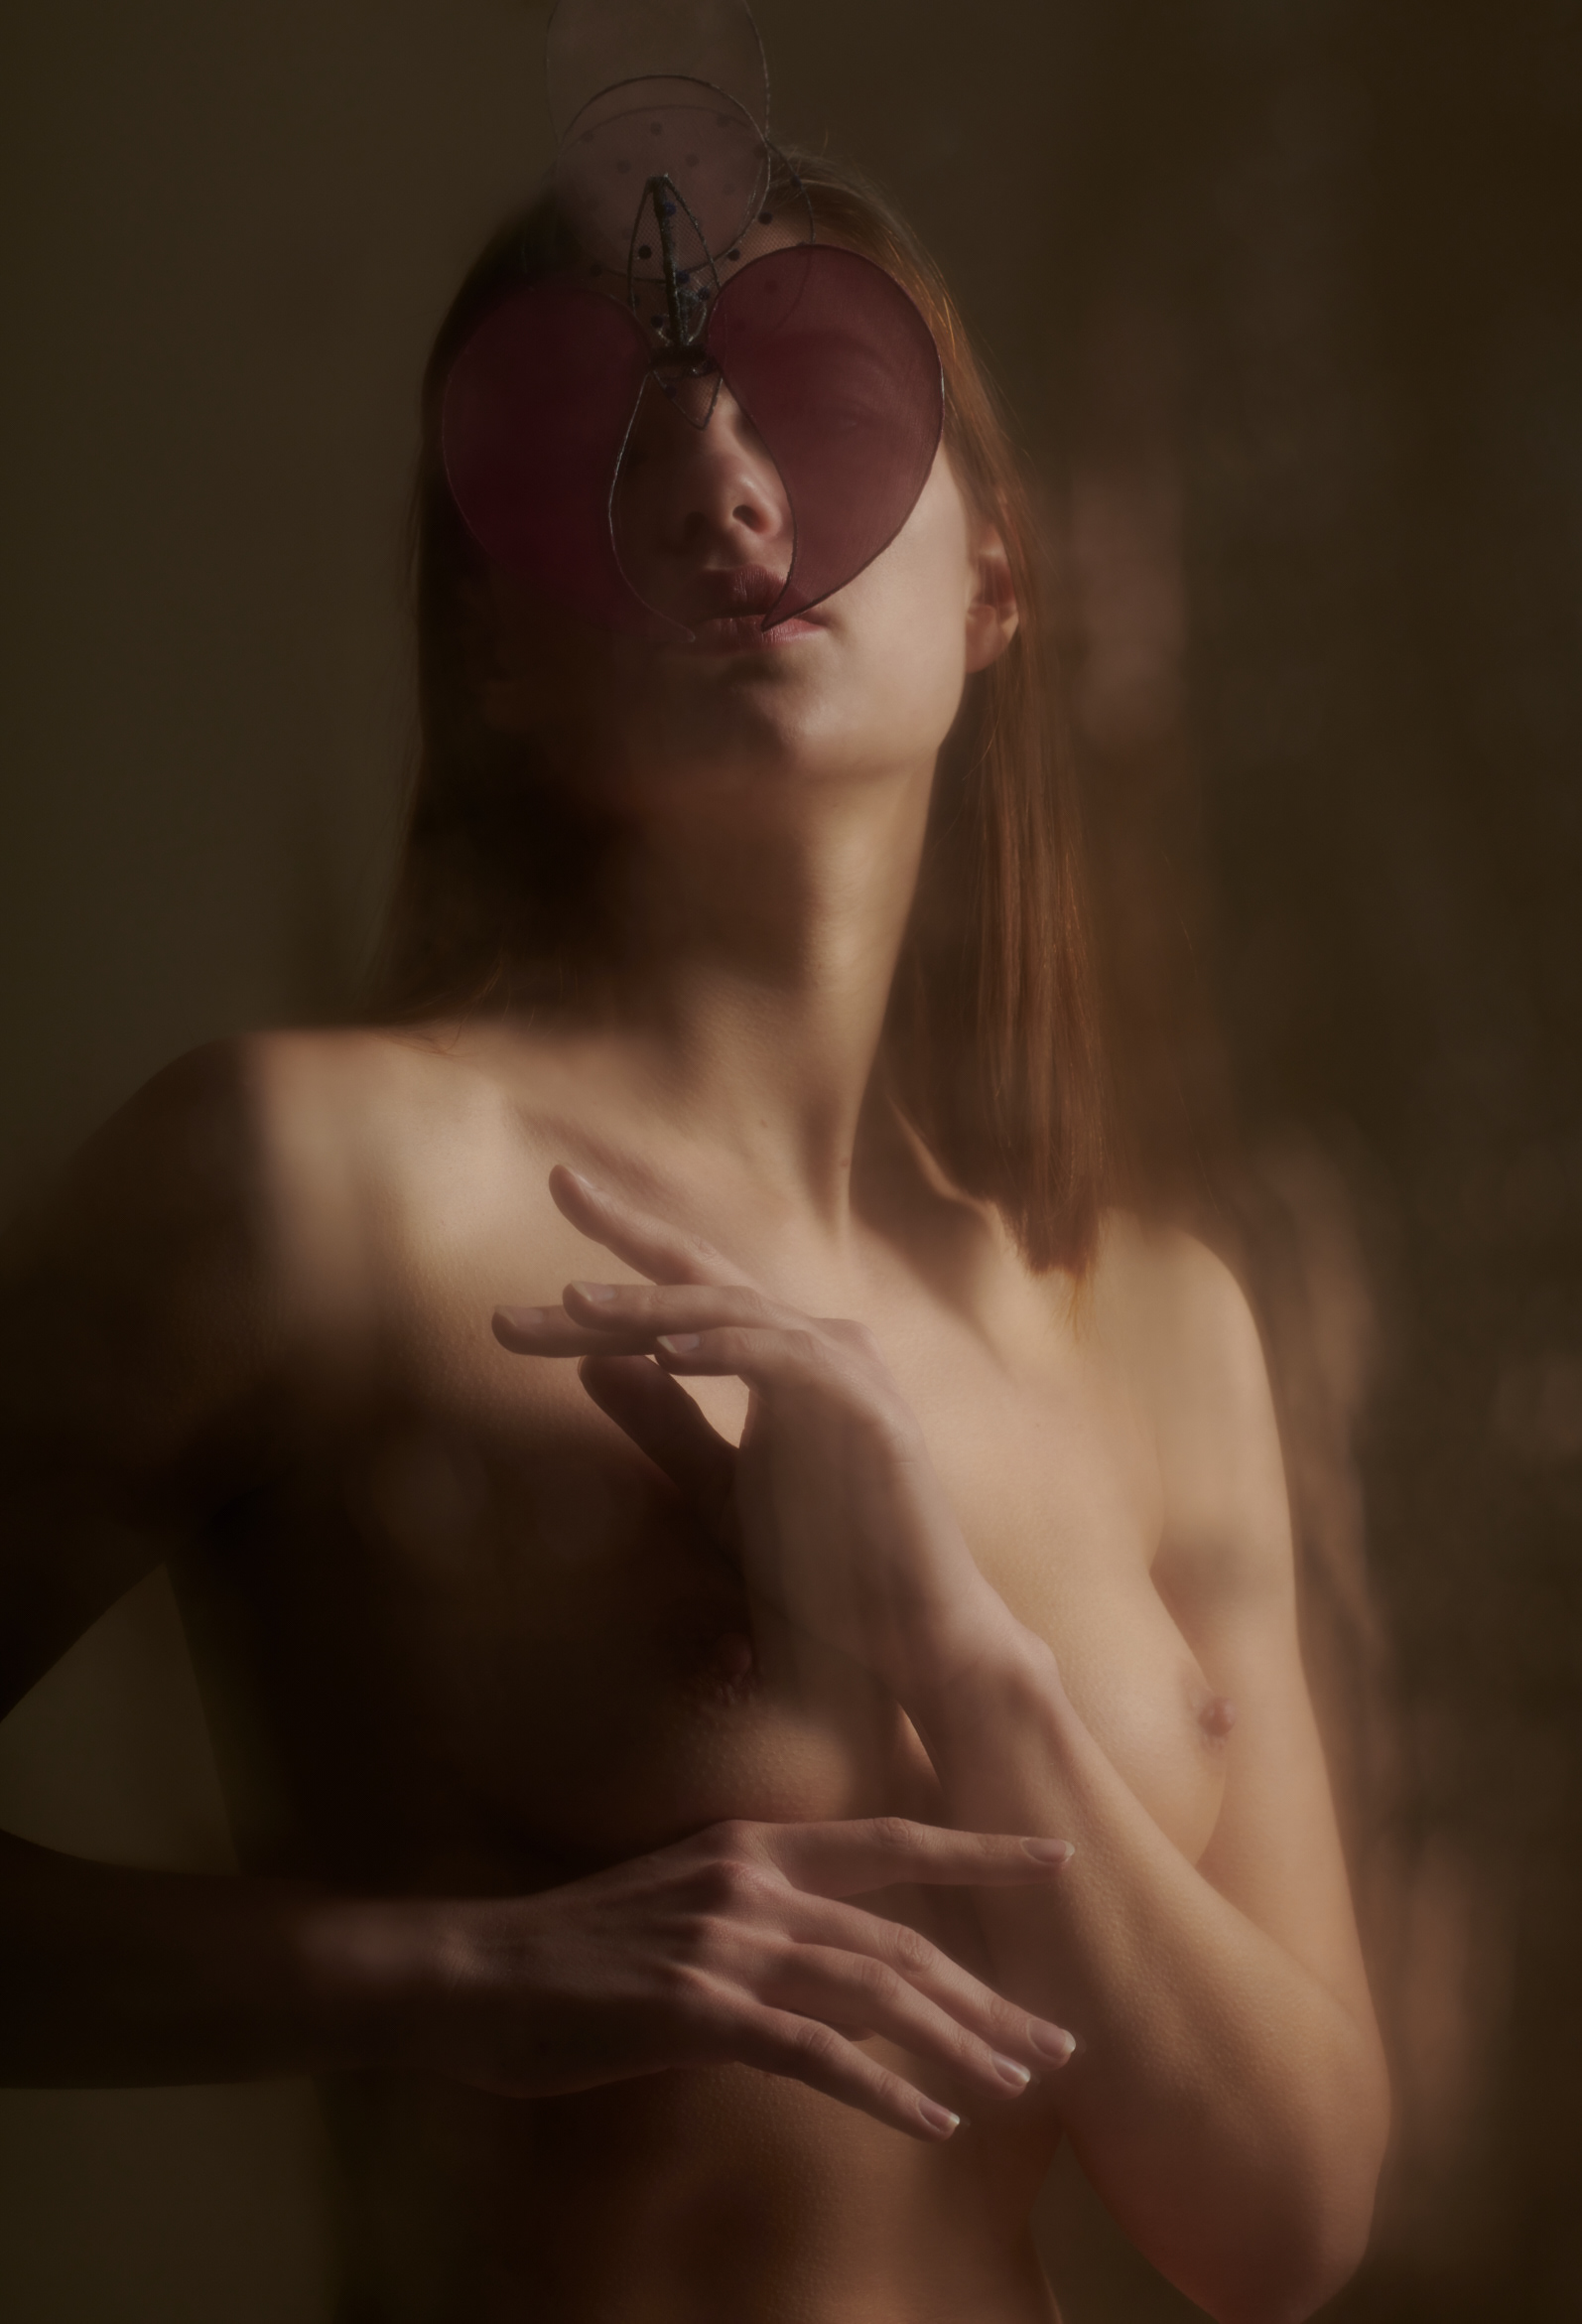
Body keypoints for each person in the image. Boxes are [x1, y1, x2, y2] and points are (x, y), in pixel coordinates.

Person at [0, 145, 1388, 2324]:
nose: (727, 492)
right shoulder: (311, 1184)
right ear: (498, 640)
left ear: (994, 577)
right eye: (594, 441)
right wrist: (466, 1973)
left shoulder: (1148, 1327)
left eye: (823, 402)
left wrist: (949, 1644)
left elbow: (1282, 2225)